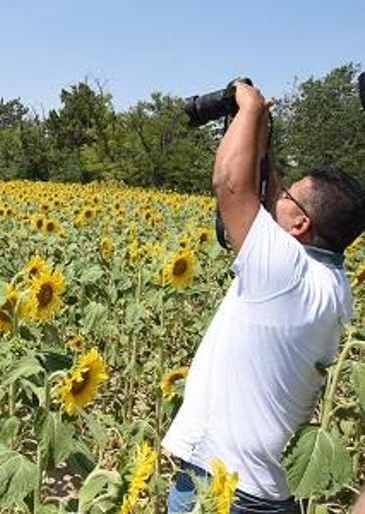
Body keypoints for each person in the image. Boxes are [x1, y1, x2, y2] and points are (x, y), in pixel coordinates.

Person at [163, 83, 365, 512]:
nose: (279, 193)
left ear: (300, 224)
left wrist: (249, 107)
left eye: (289, 195)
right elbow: (268, 190)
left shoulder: (283, 272)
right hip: (269, 492)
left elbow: (230, 183)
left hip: (221, 490)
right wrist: (261, 137)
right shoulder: (330, 281)